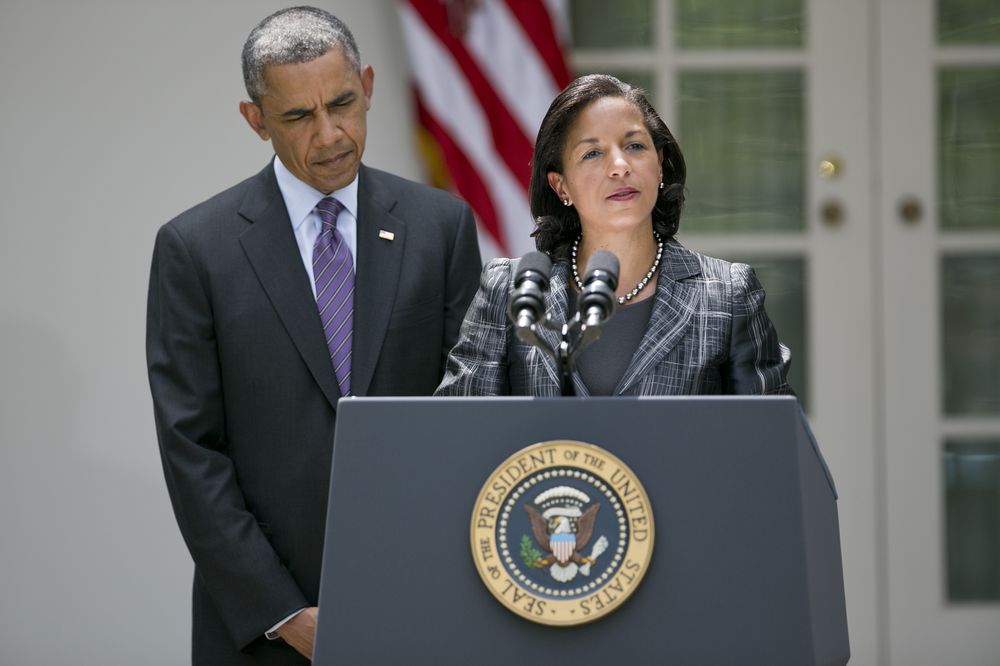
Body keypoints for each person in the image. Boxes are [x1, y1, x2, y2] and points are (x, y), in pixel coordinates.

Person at [146, 7, 481, 664]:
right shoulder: (195, 249)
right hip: (262, 630)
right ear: (255, 119)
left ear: (369, 86)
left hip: (420, 606)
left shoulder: (441, 228)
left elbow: (469, 419)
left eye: (342, 104)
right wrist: (284, 614)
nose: (330, 135)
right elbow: (192, 451)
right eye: (299, 116)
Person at [436, 74, 791, 397]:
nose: (620, 166)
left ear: (660, 163)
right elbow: (459, 430)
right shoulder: (511, 291)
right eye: (592, 153)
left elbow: (770, 435)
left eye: (635, 146)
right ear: (561, 186)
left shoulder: (728, 295)